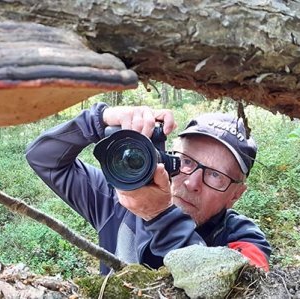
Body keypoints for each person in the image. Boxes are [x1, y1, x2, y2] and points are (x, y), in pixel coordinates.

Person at [25, 102, 271, 274]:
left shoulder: (245, 239)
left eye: (216, 176)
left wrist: (160, 216)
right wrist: (99, 120)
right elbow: (43, 158)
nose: (191, 183)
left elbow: (232, 288)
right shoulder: (119, 200)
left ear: (236, 195)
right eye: (185, 161)